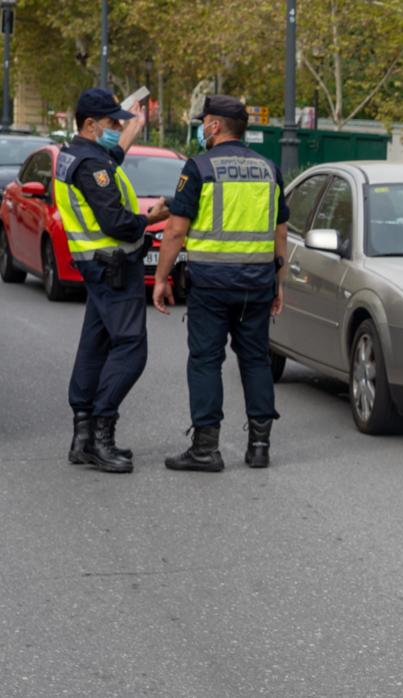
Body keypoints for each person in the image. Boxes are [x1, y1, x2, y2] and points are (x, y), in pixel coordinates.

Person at [151, 95, 289, 472]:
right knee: (256, 361)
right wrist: (279, 281)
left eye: (204, 121)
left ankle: (205, 449)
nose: (202, 127)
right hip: (257, 284)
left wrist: (161, 278)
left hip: (211, 285)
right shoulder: (269, 169)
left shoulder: (198, 168)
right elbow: (280, 232)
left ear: (213, 125)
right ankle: (259, 446)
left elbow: (176, 230)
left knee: (206, 361)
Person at [61, 88, 170, 474]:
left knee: (95, 345)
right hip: (114, 266)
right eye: (110, 123)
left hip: (94, 266)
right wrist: (154, 217)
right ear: (90, 125)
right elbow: (118, 223)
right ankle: (101, 434)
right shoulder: (93, 167)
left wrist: (131, 126)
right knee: (131, 349)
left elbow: (111, 157)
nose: (115, 129)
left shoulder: (75, 155)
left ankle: (82, 437)